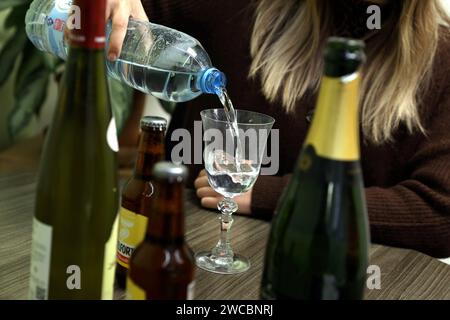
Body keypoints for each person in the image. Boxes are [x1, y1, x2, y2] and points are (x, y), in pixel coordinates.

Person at [106, 0, 450, 258]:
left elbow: (440, 214)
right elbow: (135, 9)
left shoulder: (442, 59)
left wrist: (278, 197)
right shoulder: (245, 7)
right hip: (182, 256)